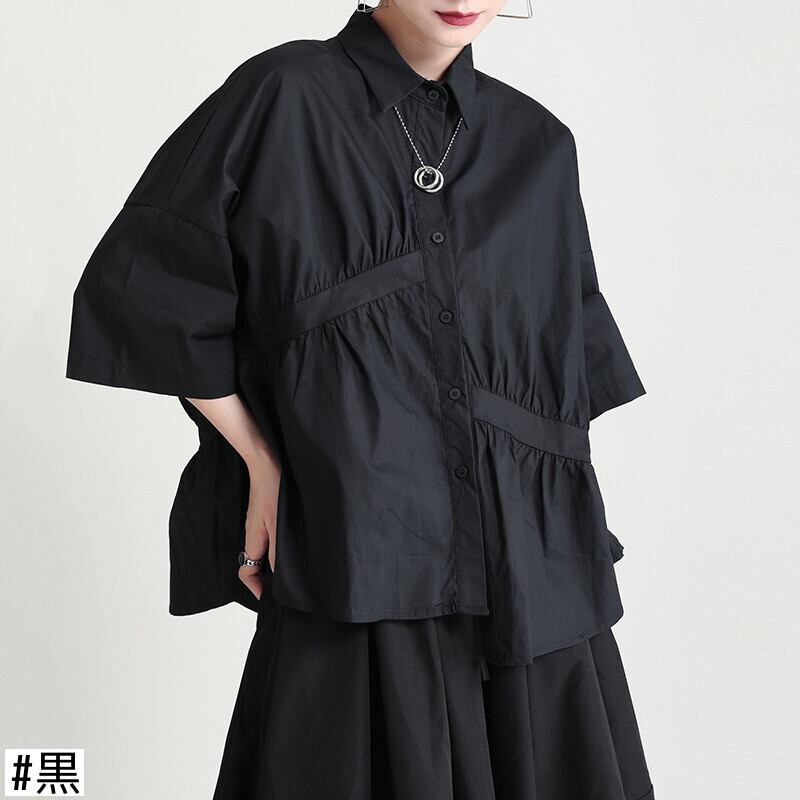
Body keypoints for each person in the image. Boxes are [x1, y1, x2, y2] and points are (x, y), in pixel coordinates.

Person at [66, 2, 656, 798]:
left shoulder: (539, 144)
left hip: (532, 595)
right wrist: (262, 464)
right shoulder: (282, 95)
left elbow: (561, 384)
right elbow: (151, 292)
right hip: (358, 560)